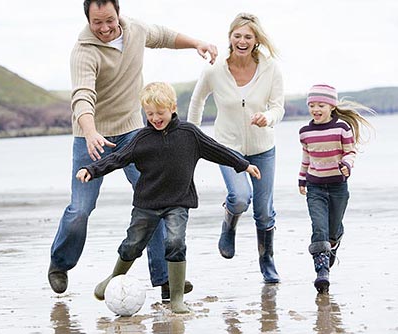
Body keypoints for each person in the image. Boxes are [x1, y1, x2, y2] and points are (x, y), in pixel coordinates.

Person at [48, 0, 219, 299]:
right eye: (96, 22)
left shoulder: (135, 30)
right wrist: (90, 133)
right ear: (87, 19)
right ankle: (59, 264)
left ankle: (166, 279)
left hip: (132, 132)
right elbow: (82, 97)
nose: (104, 28)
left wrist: (197, 43)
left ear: (118, 13)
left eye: (109, 20)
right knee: (80, 210)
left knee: (154, 200)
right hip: (91, 135)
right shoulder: (84, 52)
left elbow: (164, 36)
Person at [76, 82, 261, 313]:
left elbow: (217, 150)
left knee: (175, 242)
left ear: (173, 107)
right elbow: (118, 158)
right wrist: (91, 169)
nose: (155, 118)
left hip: (178, 202)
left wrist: (243, 165)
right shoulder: (141, 138)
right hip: (147, 204)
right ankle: (113, 277)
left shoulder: (189, 134)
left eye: (160, 112)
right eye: (150, 113)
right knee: (133, 244)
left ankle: (176, 299)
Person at [187, 12, 284, 283]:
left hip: (263, 148)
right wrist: (192, 136)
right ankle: (229, 222)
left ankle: (267, 260)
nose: (242, 41)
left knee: (264, 211)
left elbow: (278, 106)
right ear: (230, 38)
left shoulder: (270, 68)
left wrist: (269, 118)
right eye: (237, 35)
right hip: (227, 148)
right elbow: (197, 103)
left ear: (256, 41)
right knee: (240, 198)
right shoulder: (214, 70)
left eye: (248, 37)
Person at [298, 84, 374, 293]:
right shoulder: (305, 132)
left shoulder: (342, 128)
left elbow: (350, 152)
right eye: (312, 105)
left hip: (338, 186)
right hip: (315, 187)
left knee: (332, 230)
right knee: (319, 228)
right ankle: (322, 272)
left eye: (320, 105)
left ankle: (335, 239)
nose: (315, 109)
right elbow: (306, 158)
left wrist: (346, 165)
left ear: (331, 106)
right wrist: (302, 179)